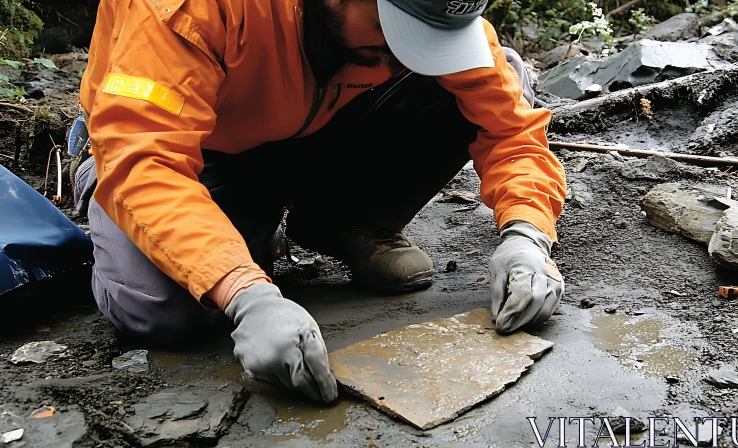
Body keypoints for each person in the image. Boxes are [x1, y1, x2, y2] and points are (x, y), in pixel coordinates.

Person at [71, 0, 567, 404]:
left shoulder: (431, 17)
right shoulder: (189, 7)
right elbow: (148, 159)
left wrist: (527, 234)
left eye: (429, 35)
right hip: (200, 149)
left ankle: (342, 219)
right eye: (391, 28)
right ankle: (227, 222)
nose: (405, 55)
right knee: (164, 310)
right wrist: (245, 292)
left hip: (321, 127)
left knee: (500, 75)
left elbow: (508, 129)